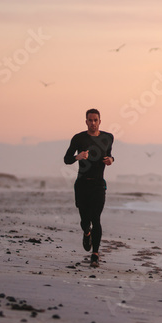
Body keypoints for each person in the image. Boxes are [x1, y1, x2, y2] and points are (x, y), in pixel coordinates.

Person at [63, 108, 114, 266]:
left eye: (95, 120)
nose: (93, 123)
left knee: (96, 218)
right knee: (85, 220)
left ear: (100, 121)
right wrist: (77, 157)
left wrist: (111, 159)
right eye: (90, 120)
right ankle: (86, 232)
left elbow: (110, 154)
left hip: (98, 184)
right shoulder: (79, 138)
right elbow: (66, 159)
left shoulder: (108, 137)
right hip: (82, 184)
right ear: (86, 122)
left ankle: (95, 255)